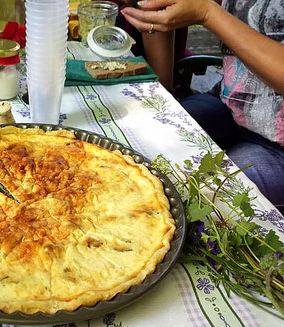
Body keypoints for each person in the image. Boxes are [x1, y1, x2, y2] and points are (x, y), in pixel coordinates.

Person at [121, 0, 284, 213]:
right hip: (229, 104)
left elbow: (206, 9)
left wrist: (208, 14)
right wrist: (153, 9)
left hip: (278, 147)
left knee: (202, 204)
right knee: (131, 144)